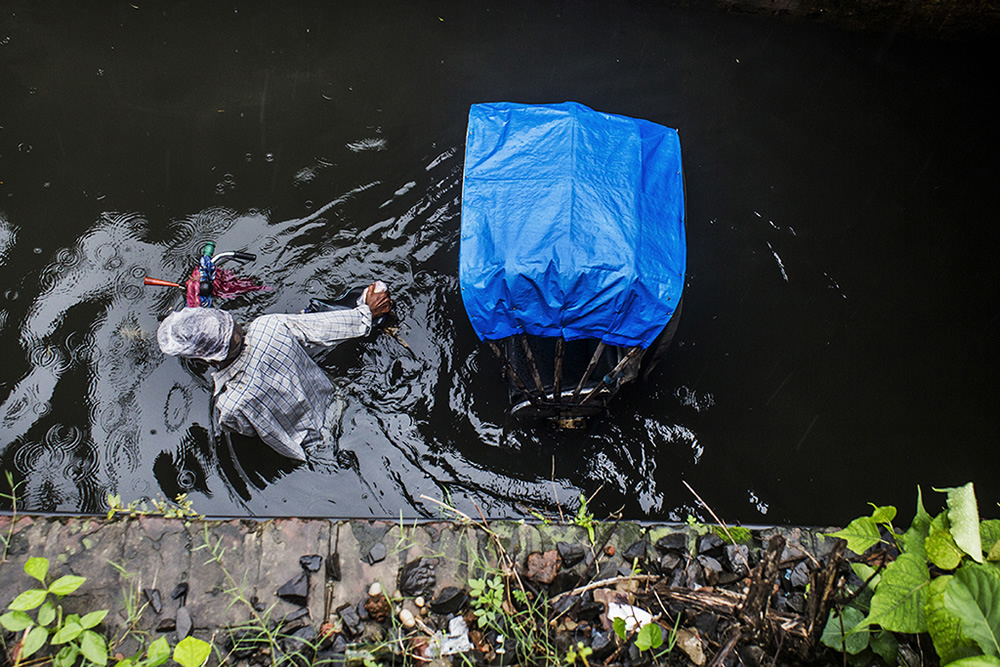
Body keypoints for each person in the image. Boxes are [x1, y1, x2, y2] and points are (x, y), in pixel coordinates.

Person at [157, 283, 392, 461]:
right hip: (342, 405)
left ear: (208, 359)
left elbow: (250, 432)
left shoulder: (229, 406)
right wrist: (367, 313)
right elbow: (326, 329)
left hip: (317, 453)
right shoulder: (269, 327)